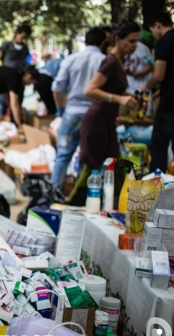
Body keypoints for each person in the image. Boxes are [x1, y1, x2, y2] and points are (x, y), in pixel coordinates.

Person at [70, 21, 140, 202]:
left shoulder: (119, 61)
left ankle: (120, 206)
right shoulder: (110, 61)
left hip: (107, 123)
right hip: (96, 122)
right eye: (131, 41)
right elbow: (90, 90)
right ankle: (70, 204)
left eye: (136, 42)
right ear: (117, 39)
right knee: (90, 169)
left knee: (116, 165)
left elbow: (113, 89)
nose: (134, 46)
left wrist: (128, 96)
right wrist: (120, 99)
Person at [50, 27, 108, 190]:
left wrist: (60, 110)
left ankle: (54, 195)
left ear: (85, 41)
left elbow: (57, 87)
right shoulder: (105, 61)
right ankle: (81, 198)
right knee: (88, 159)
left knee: (62, 156)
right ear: (103, 42)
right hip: (94, 116)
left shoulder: (71, 59)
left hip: (71, 113)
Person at [143, 12, 174, 172]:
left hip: (169, 105)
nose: (154, 36)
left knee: (159, 147)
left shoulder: (163, 42)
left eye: (153, 31)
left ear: (157, 25)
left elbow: (159, 75)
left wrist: (145, 88)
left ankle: (157, 190)